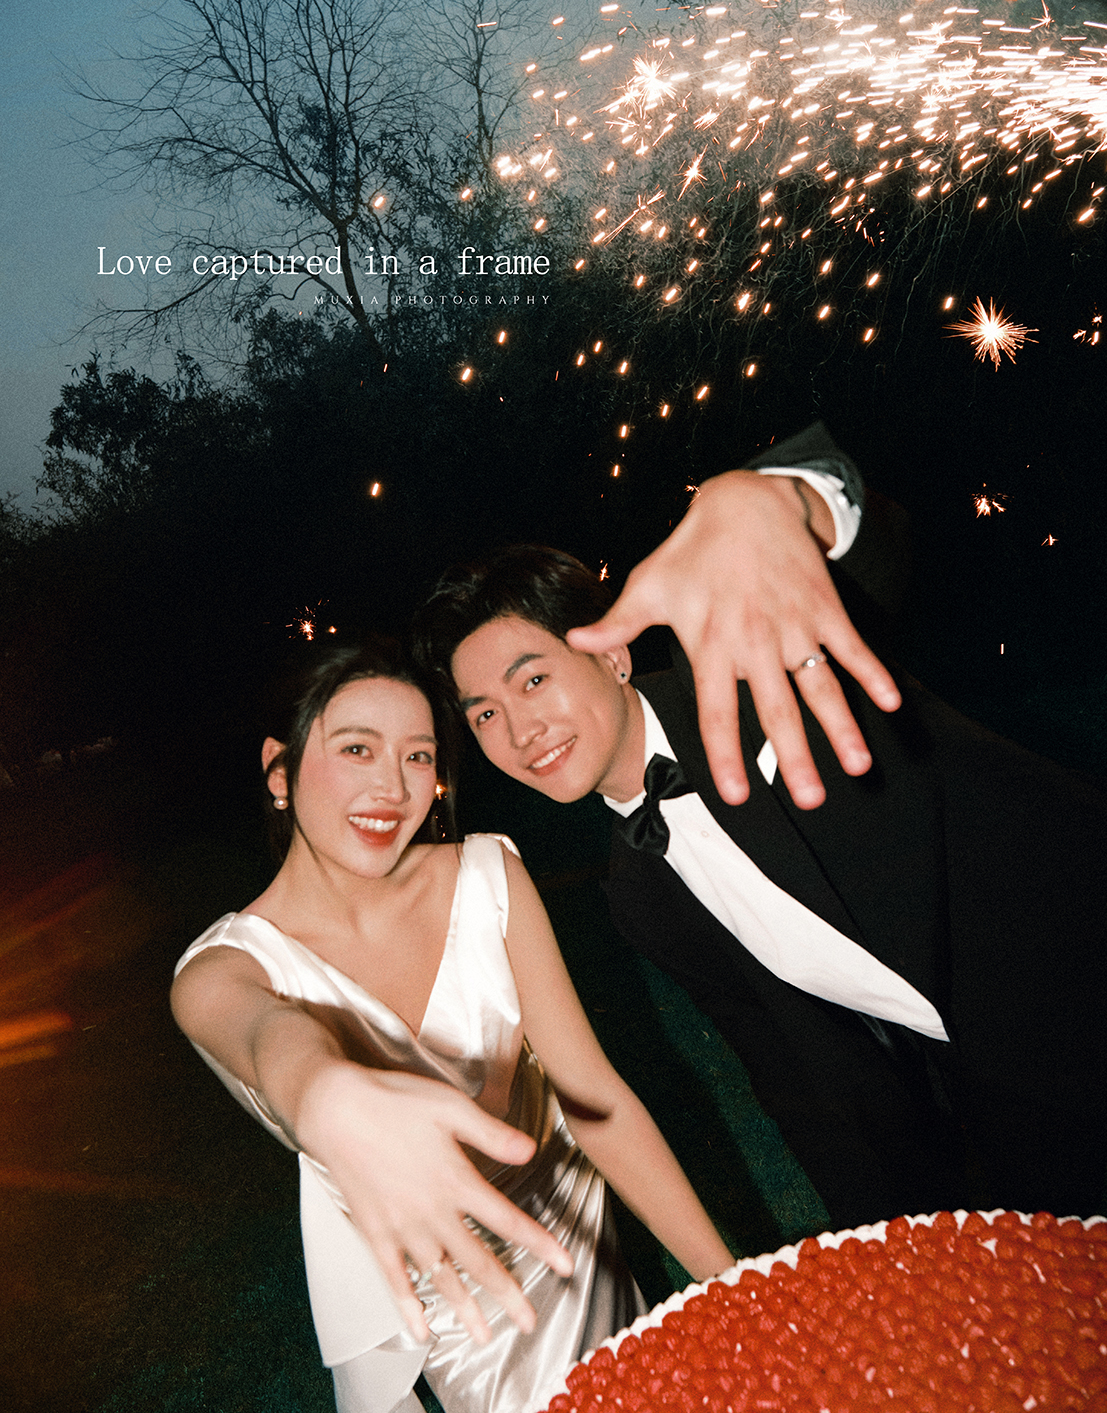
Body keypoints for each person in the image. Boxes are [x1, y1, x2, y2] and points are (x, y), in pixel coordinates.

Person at [418, 430, 1107, 1234]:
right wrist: (878, 1241)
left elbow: (871, 555)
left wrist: (787, 496)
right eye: (485, 715)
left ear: (613, 657)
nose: (519, 730)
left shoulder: (744, 671)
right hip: (1008, 1105)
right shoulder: (639, 896)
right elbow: (801, 1075)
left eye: (533, 679)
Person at [171, 638, 732, 1413]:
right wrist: (321, 1091)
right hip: (462, 1318)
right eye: (356, 748)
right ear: (279, 771)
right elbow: (265, 1035)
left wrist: (729, 1287)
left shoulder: (487, 876)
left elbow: (595, 1098)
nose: (391, 788)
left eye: (417, 756)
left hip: (581, 1250)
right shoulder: (220, 973)